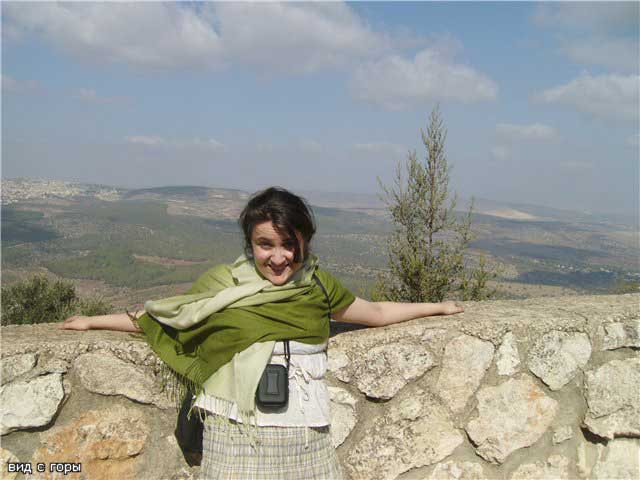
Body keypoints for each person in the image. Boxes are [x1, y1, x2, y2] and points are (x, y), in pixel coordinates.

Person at [59, 186, 464, 480]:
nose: (278, 257)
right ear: (250, 243)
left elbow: (374, 312)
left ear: (305, 242)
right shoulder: (222, 284)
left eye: (289, 244)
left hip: (304, 435)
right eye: (265, 244)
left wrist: (437, 307)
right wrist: (92, 321)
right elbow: (167, 317)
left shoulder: (318, 287)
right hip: (233, 433)